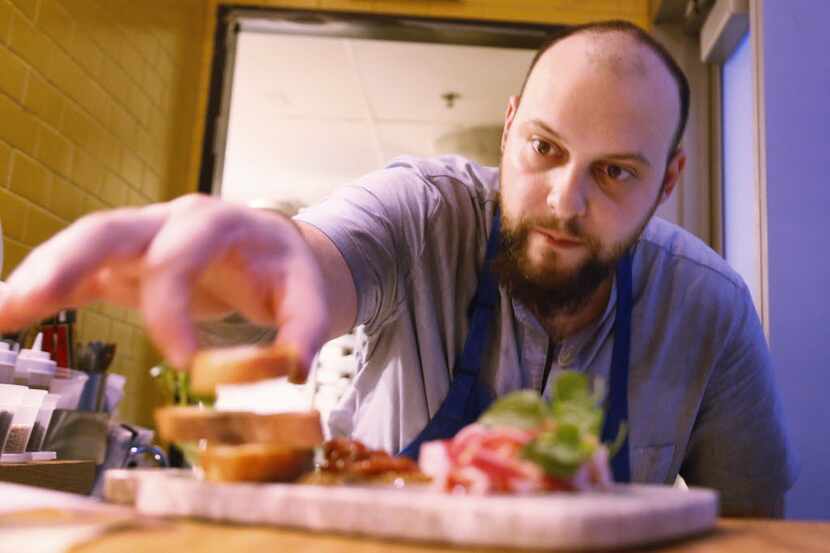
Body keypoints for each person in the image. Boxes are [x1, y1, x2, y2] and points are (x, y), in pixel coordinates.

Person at [0, 21, 796, 516]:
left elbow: (762, 524)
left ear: (667, 180)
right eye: (544, 148)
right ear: (509, 127)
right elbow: (312, 261)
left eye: (616, 171)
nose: (564, 200)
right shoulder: (423, 213)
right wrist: (266, 271)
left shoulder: (711, 309)